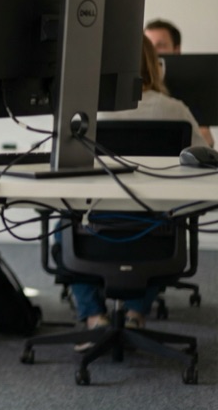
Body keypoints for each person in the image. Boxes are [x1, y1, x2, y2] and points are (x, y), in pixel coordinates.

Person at [70, 35, 205, 350]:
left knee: (66, 218)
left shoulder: (84, 112)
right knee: (166, 218)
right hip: (156, 238)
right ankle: (135, 314)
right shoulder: (174, 109)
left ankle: (94, 318)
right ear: (154, 65)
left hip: (91, 236)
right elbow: (202, 159)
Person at [144, 18, 214, 147]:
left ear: (176, 49)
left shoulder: (192, 92)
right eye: (149, 47)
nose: (153, 52)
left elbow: (205, 146)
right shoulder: (129, 99)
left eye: (161, 46)